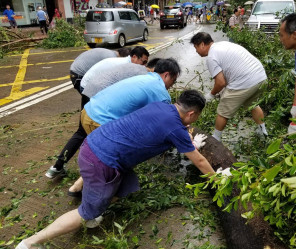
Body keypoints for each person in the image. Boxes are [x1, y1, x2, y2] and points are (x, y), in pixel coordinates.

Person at [15, 90, 214, 249]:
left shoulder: (160, 107)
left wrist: (188, 141)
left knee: (126, 184)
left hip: (93, 145)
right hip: (102, 161)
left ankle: (94, 211)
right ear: (192, 113)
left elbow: (170, 134)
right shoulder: (175, 127)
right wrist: (218, 180)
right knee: (85, 212)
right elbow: (200, 162)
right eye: (197, 117)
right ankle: (30, 243)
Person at [68, 58, 180, 195]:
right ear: (167, 75)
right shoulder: (160, 91)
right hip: (99, 120)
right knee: (116, 157)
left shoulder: (143, 77)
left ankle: (77, 186)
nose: (172, 86)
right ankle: (98, 197)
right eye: (173, 81)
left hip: (88, 111)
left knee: (100, 155)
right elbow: (168, 121)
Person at [45, 47, 135, 179]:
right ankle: (93, 168)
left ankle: (57, 166)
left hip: (85, 83)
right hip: (86, 84)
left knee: (84, 129)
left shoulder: (109, 56)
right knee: (91, 129)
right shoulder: (113, 60)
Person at [190, 32, 268, 141]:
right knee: (252, 104)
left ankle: (215, 139)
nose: (196, 51)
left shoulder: (211, 56)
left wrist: (211, 95)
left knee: (222, 111)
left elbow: (220, 82)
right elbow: (226, 75)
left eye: (196, 47)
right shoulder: (223, 45)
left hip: (245, 81)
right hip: (260, 77)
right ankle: (263, 132)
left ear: (202, 44)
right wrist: (222, 90)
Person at [82, 58, 160, 98]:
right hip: (97, 92)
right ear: (154, 69)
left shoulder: (134, 66)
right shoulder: (144, 75)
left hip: (89, 87)